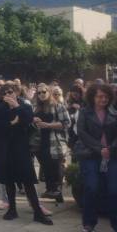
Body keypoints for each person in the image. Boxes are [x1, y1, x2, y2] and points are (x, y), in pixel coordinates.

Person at [0, 83, 52, 225]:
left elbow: (29, 120)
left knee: (28, 181)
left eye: (11, 91)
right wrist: (12, 123)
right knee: (9, 180)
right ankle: (12, 209)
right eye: (4, 93)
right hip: (5, 148)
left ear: (16, 92)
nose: (8, 95)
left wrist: (17, 108)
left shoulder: (24, 106)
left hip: (21, 148)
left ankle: (37, 212)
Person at [75, 84, 117, 232]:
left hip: (112, 155)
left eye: (106, 96)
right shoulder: (84, 112)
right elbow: (82, 133)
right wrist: (100, 149)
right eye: (100, 96)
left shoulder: (114, 112)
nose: (103, 99)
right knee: (91, 188)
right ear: (93, 97)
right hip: (91, 155)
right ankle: (89, 223)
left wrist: (110, 149)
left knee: (114, 190)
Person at [29, 83, 70, 203]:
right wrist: (33, 120)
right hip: (38, 141)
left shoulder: (58, 106)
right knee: (45, 166)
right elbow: (29, 122)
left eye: (44, 92)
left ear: (49, 92)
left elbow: (66, 123)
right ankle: (50, 189)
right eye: (39, 92)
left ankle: (57, 191)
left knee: (56, 166)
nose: (41, 94)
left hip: (54, 140)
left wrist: (48, 125)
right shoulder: (35, 106)